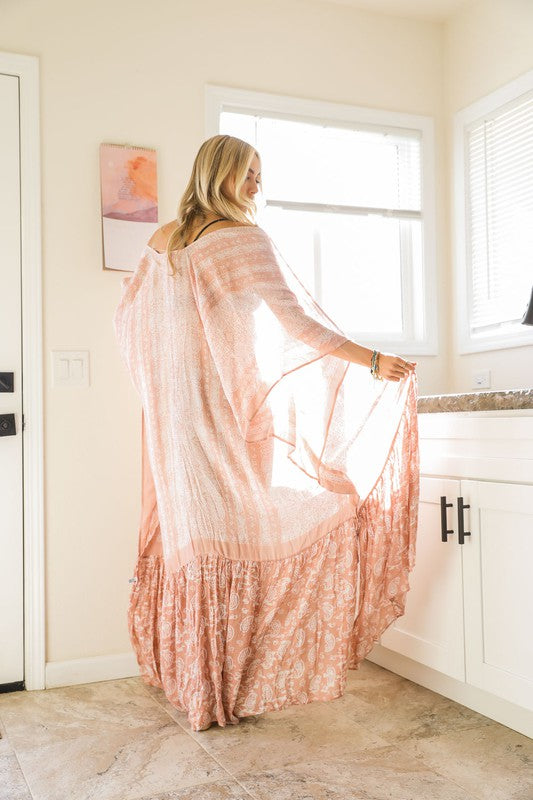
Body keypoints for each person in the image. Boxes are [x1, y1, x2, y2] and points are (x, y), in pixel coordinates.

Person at [114, 134, 420, 732]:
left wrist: (162, 390)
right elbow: (299, 322)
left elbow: (129, 321)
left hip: (173, 420)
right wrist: (374, 360)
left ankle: (199, 683)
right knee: (237, 534)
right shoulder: (241, 239)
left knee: (201, 542)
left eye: (260, 173)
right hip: (225, 410)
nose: (258, 184)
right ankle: (230, 681)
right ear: (220, 173)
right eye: (249, 172)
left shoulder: (161, 240)